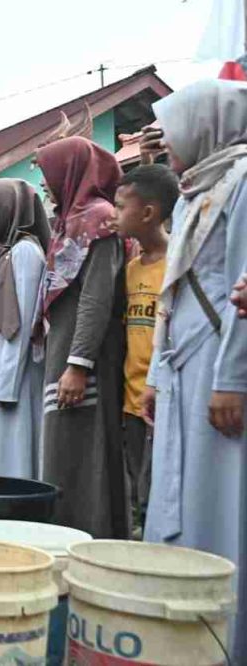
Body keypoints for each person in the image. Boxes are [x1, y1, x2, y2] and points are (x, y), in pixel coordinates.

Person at [140, 80, 247, 652]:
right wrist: (158, 375)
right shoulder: (190, 195)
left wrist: (233, 380)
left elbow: (239, 290)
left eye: (176, 127)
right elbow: (172, 297)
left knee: (221, 496)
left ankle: (223, 637)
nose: (169, 142)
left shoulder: (241, 184)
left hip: (218, 366)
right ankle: (179, 625)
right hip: (182, 367)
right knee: (177, 494)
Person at [36, 136, 127, 539]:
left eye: (47, 173)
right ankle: (64, 538)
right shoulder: (69, 220)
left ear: (69, 171)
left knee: (85, 453)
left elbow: (96, 296)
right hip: (64, 353)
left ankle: (90, 541)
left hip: (83, 360)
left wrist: (78, 364)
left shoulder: (99, 220)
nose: (43, 183)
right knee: (62, 452)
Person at [112, 165, 178, 537]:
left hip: (164, 399)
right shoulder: (130, 269)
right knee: (136, 484)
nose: (115, 215)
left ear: (149, 213)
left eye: (122, 207)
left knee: (160, 487)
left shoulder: (177, 265)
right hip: (131, 400)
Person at [0, 179, 51, 478]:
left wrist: (8, 386)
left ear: (5, 212)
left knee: (11, 452)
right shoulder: (4, 253)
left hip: (13, 372)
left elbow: (25, 324)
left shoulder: (25, 253)